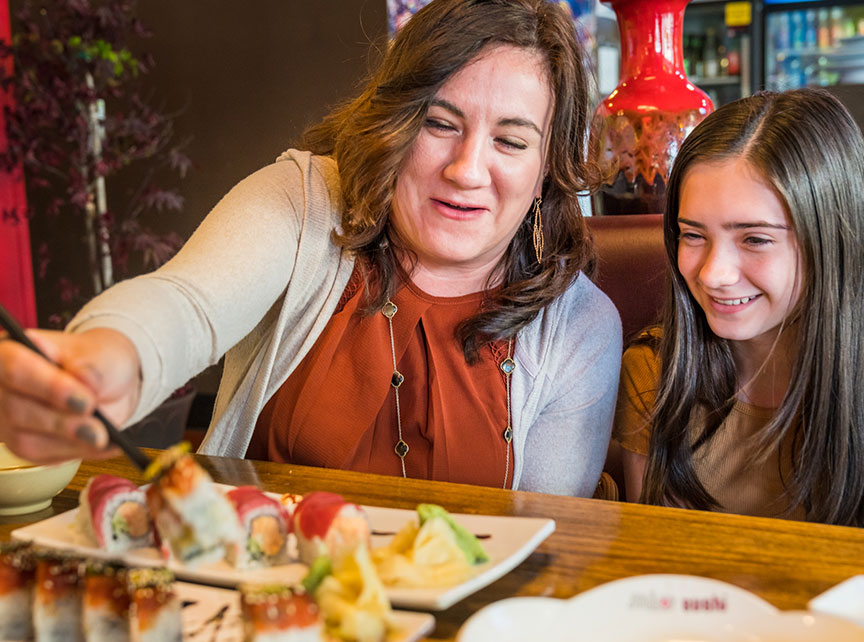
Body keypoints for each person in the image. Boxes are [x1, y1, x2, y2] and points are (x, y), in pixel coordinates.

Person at [0, 0, 621, 497]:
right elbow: (184, 304)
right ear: (396, 123)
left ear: (546, 169)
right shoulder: (304, 201)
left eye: (511, 142)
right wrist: (103, 357)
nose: (466, 169)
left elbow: (546, 540)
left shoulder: (580, 327)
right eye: (439, 123)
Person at [614, 88, 864, 531]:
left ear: (833, 241)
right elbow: (655, 567)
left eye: (755, 239)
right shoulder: (656, 371)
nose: (714, 274)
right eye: (693, 235)